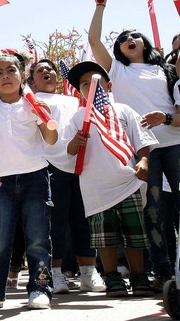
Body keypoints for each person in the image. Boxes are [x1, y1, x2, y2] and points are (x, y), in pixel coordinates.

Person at [88, 0, 180, 291]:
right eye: (122, 39)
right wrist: (100, 6)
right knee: (153, 212)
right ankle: (162, 272)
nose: (129, 39)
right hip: (144, 150)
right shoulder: (117, 69)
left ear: (145, 42)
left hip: (175, 146)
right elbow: (94, 40)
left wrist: (165, 118)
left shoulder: (167, 70)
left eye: (134, 36)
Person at [0, 54, 57, 310]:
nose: (5, 76)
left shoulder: (34, 105)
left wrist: (45, 117)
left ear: (22, 76)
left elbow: (51, 139)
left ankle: (40, 288)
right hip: (1, 182)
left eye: (11, 70)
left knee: (37, 239)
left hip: (36, 177)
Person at [66, 61, 157, 297]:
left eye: (96, 81)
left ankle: (139, 275)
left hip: (128, 181)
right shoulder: (78, 118)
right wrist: (76, 142)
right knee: (104, 236)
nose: (91, 86)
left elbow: (142, 140)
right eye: (84, 84)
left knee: (134, 232)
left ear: (109, 85)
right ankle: (112, 276)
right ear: (80, 91)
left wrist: (144, 160)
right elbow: (68, 151)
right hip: (96, 186)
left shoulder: (124, 110)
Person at [30, 59, 106, 293]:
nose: (47, 72)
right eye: (40, 70)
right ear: (32, 80)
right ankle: (55, 273)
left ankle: (88, 272)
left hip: (81, 166)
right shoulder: (31, 101)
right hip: (50, 165)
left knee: (84, 220)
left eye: (50, 69)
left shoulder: (74, 101)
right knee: (56, 223)